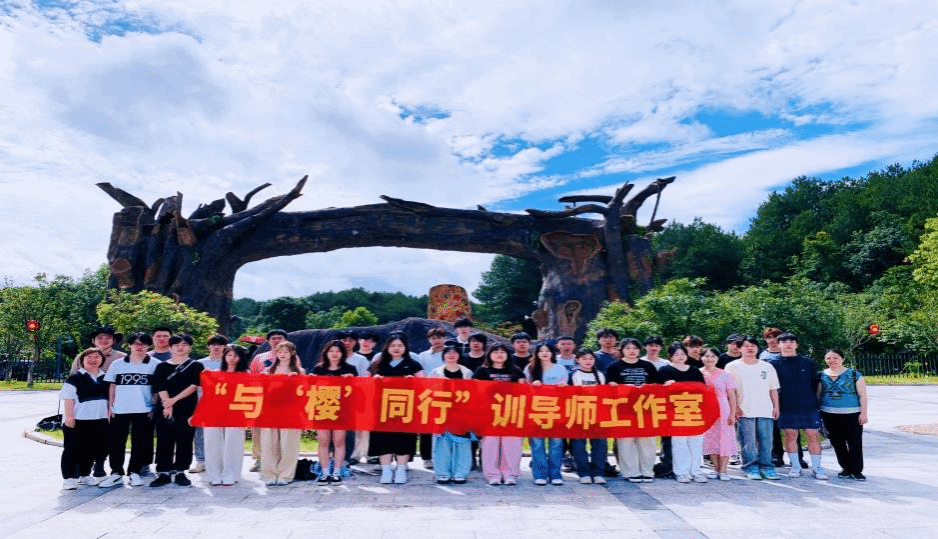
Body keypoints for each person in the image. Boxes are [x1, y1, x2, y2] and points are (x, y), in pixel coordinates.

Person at [98, 332, 157, 488]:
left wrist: (153, 406)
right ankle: (116, 473)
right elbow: (112, 385)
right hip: (119, 409)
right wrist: (110, 407)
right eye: (136, 344)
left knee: (139, 442)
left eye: (143, 344)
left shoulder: (155, 364)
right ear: (129, 345)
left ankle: (134, 472)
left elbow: (157, 388)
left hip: (143, 409)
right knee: (116, 442)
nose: (139, 347)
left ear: (148, 346)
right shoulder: (118, 364)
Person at [770, 333, 828, 480]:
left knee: (812, 435)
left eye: (792, 341)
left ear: (797, 344)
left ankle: (817, 468)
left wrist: (816, 404)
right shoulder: (772, 364)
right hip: (785, 406)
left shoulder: (808, 362)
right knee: (790, 436)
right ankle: (795, 466)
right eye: (784, 341)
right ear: (779, 344)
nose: (788, 344)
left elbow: (815, 384)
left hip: (808, 406)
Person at [369, 333, 424, 484]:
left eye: (400, 345)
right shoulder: (378, 363)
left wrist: (414, 381)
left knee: (404, 438)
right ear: (387, 347)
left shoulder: (413, 364)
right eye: (393, 345)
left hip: (405, 408)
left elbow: (424, 384)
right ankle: (386, 470)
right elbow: (365, 383)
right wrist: (374, 380)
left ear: (405, 347)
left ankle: (401, 469)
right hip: (382, 408)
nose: (396, 348)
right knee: (382, 438)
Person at [150, 334, 203, 487]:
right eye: (177, 345)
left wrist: (173, 401)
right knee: (164, 439)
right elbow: (160, 386)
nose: (180, 348)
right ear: (171, 347)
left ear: (190, 347)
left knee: (184, 439)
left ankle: (181, 471)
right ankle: (163, 472)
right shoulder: (162, 366)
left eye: (184, 344)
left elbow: (193, 386)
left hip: (187, 408)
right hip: (165, 408)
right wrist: (167, 404)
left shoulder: (196, 365)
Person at [725, 336, 780, 481]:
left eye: (753, 346)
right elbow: (730, 391)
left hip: (765, 409)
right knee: (747, 442)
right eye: (746, 346)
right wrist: (735, 408)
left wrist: (776, 406)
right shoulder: (732, 366)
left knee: (766, 441)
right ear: (739, 349)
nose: (750, 348)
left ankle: (766, 467)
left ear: (757, 348)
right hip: (744, 410)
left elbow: (773, 389)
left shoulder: (767, 366)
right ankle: (750, 467)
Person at [607, 337, 661, 483]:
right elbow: (609, 387)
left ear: (639, 350)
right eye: (628, 348)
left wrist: (646, 388)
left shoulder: (648, 366)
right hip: (624, 409)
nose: (632, 351)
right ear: (622, 350)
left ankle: (647, 471)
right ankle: (630, 472)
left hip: (645, 407)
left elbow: (657, 386)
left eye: (635, 348)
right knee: (626, 441)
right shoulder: (614, 366)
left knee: (647, 441)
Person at [474, 343, 525, 486]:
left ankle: (510, 474)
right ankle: (493, 475)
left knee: (512, 444)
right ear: (489, 354)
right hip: (489, 413)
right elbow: (475, 390)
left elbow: (523, 391)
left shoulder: (516, 371)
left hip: (511, 412)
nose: (499, 354)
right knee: (490, 444)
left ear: (508, 355)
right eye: (495, 352)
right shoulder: (482, 371)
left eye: (503, 352)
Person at [60, 348, 109, 490]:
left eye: (96, 357)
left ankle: (84, 475)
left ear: (102, 360)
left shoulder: (105, 378)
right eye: (89, 357)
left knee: (91, 450)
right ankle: (68, 478)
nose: (93, 360)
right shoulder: (75, 378)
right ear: (82, 361)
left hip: (100, 419)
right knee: (72, 449)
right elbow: (68, 399)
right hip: (78, 420)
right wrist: (69, 417)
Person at [204, 344, 253, 486]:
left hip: (236, 410)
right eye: (229, 355)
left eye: (235, 356)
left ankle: (231, 474)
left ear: (241, 358)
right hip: (214, 411)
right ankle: (214, 474)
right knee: (212, 440)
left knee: (234, 441)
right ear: (224, 357)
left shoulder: (246, 374)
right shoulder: (215, 373)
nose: (232, 358)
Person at [659, 343, 708, 483]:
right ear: (670, 356)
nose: (680, 357)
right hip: (675, 412)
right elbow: (659, 391)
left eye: (682, 354)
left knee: (696, 443)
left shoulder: (695, 371)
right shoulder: (664, 370)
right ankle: (681, 472)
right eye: (676, 354)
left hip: (694, 411)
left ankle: (696, 471)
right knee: (679, 443)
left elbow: (703, 389)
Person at [817, 349, 868, 481]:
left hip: (852, 414)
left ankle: (856, 470)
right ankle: (846, 468)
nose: (832, 361)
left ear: (842, 359)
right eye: (828, 358)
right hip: (829, 414)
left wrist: (863, 413)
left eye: (835, 358)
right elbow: (818, 395)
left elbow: (863, 395)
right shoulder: (821, 375)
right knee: (837, 442)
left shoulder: (854, 375)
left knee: (854, 442)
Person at [310, 340, 357, 482]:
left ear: (343, 353)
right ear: (326, 353)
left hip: (342, 410)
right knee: (323, 441)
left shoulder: (350, 369)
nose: (334, 354)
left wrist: (351, 380)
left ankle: (337, 472)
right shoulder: (318, 369)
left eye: (338, 351)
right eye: (331, 351)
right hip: (322, 409)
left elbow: (357, 391)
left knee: (339, 441)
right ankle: (324, 472)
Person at [260, 341, 306, 486]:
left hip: (291, 410)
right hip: (271, 410)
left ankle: (286, 475)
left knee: (289, 443)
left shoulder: (299, 371)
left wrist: (297, 379)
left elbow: (304, 391)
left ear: (292, 353)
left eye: (286, 351)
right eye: (279, 352)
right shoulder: (268, 371)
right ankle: (269, 474)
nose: (283, 354)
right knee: (269, 442)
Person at [428, 345, 475, 484]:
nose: (451, 354)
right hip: (441, 412)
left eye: (455, 352)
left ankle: (461, 473)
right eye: (448, 352)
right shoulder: (435, 372)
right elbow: (428, 392)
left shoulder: (468, 373)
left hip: (462, 412)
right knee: (442, 444)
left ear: (459, 355)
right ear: (443, 355)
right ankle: (442, 473)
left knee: (463, 444)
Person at [525, 341, 568, 486]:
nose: (544, 353)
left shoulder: (560, 368)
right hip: (536, 412)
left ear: (552, 353)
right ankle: (540, 474)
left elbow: (566, 390)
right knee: (537, 444)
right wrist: (532, 387)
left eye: (547, 351)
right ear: (536, 353)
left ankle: (555, 474)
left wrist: (564, 387)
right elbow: (523, 390)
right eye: (541, 351)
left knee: (556, 444)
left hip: (556, 411)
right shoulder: (530, 369)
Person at [247, 329, 289, 472]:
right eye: (273, 338)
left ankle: (280, 458)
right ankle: (259, 459)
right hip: (262, 396)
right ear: (268, 341)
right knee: (258, 428)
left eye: (280, 338)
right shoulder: (260, 357)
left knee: (281, 429)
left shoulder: (292, 357)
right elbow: (251, 376)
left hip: (283, 399)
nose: (276, 340)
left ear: (285, 340)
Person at [568, 349, 608, 484]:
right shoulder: (573, 375)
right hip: (578, 415)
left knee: (599, 445)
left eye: (590, 358)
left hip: (598, 415)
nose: (588, 361)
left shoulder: (600, 375)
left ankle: (598, 473)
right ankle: (583, 472)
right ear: (577, 359)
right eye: (584, 358)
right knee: (579, 445)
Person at [190, 334, 228, 474]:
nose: (216, 347)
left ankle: (223, 461)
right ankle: (201, 461)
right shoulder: (199, 363)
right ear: (208, 346)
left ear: (225, 347)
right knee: (200, 433)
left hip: (224, 403)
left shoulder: (229, 363)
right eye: (213, 344)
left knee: (224, 433)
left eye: (220, 344)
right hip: (202, 401)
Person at [700, 347, 737, 481]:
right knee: (710, 439)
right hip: (706, 410)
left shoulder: (725, 374)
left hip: (723, 409)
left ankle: (723, 470)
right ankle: (715, 468)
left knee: (725, 438)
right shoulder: (697, 373)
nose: (710, 359)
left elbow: (732, 396)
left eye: (713, 356)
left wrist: (732, 413)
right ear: (701, 358)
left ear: (717, 358)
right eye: (706, 356)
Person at [416, 327, 448, 470]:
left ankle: (444, 456)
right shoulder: (422, 356)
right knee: (426, 427)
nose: (437, 340)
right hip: (428, 394)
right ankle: (426, 458)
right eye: (433, 338)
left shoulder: (451, 353)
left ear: (445, 338)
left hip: (447, 394)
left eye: (439, 337)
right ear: (429, 340)